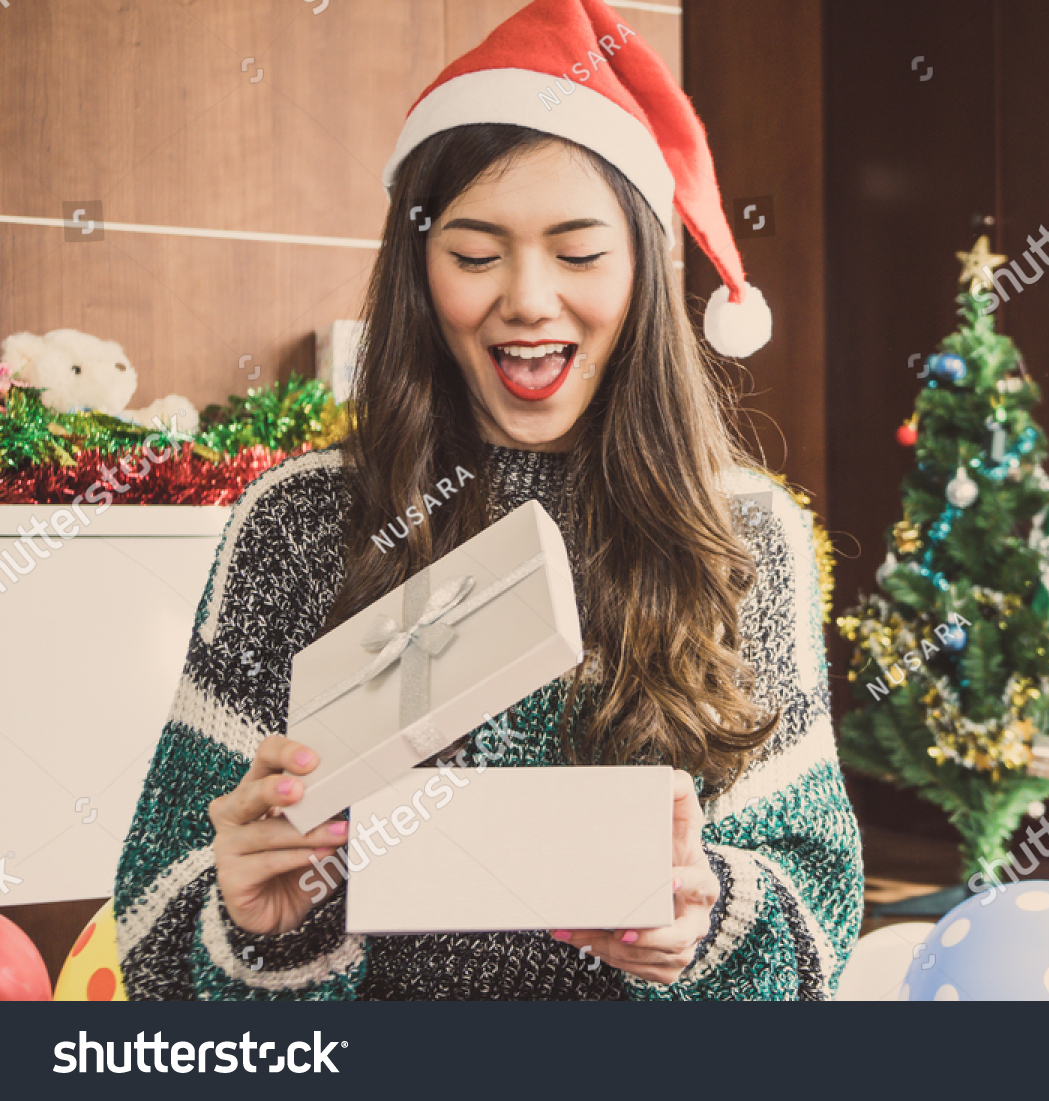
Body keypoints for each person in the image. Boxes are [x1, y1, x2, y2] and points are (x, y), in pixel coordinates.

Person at [112, 0, 864, 1000]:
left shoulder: (742, 531)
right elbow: (154, 917)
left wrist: (709, 919)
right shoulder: (295, 522)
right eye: (475, 254)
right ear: (419, 273)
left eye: (580, 252)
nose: (528, 299)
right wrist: (254, 932)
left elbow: (819, 907)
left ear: (643, 267)